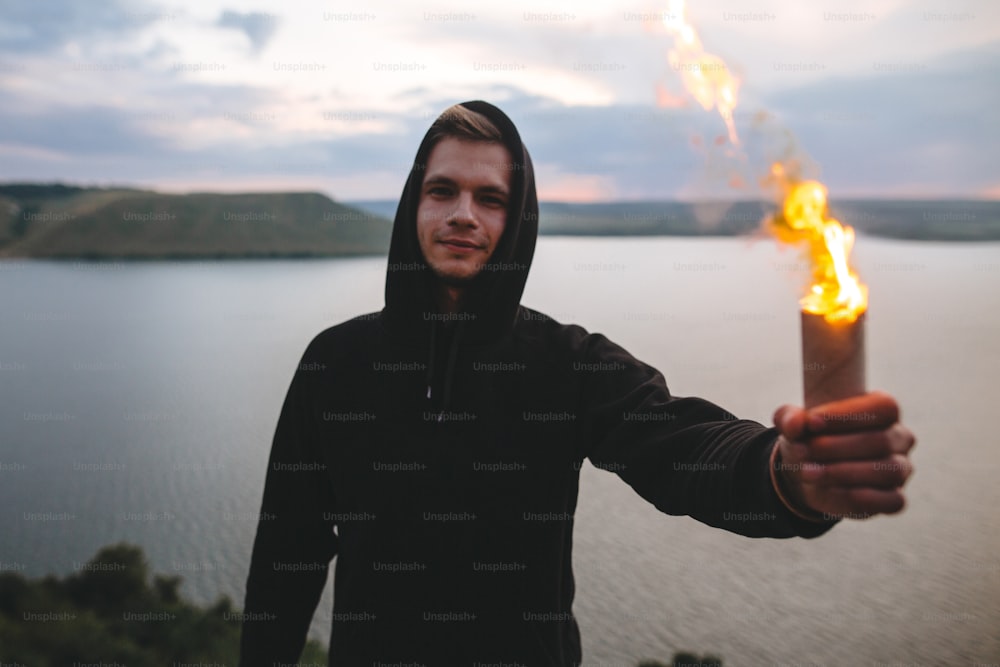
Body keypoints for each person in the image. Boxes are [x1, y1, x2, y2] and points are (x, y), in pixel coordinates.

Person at [238, 101, 915, 665]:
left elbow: (678, 444)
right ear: (412, 206)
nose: (464, 213)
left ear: (516, 221)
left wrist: (787, 474)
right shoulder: (336, 362)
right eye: (442, 190)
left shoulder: (564, 363)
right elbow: (285, 557)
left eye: (491, 198)